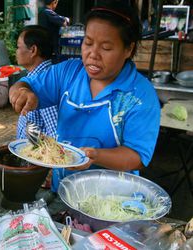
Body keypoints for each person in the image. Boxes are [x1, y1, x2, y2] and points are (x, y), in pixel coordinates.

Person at [9, 1, 161, 193]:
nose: (92, 54)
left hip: (112, 198)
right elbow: (26, 84)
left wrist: (96, 156)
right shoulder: (69, 72)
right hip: (64, 189)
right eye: (88, 43)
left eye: (106, 48)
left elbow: (137, 157)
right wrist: (21, 91)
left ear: (128, 49)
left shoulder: (139, 95)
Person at [15, 25, 58, 140]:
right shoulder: (35, 76)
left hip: (39, 156)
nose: (16, 51)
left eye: (18, 47)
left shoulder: (44, 83)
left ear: (33, 50)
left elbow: (56, 133)